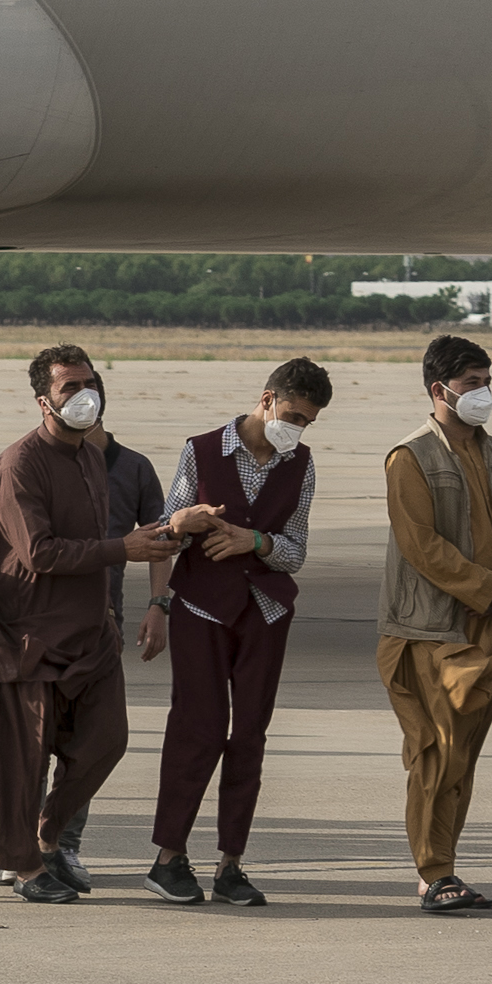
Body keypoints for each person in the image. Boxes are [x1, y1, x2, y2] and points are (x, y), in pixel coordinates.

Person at [0, 345, 171, 904]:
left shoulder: (91, 458)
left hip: (90, 632)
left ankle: (49, 831)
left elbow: (97, 544)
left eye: (91, 384)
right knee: (25, 760)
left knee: (107, 740)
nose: (85, 396)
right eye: (70, 387)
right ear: (44, 401)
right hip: (31, 634)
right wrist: (122, 548)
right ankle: (25, 867)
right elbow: (39, 552)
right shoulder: (20, 463)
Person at [150, 359, 330, 907]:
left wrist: (255, 542)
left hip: (265, 611)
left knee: (250, 734)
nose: (297, 429)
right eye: (293, 416)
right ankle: (168, 858)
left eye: (308, 422)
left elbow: (295, 551)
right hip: (201, 607)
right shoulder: (202, 451)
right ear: (268, 398)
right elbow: (165, 533)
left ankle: (231, 863)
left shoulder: (302, 465)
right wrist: (181, 525)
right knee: (197, 728)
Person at [376, 336, 492, 915]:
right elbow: (422, 546)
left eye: (487, 382)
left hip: (489, 630)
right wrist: (489, 587)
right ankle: (434, 872)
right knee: (435, 755)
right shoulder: (410, 457)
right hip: (428, 634)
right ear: (439, 390)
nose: (484, 393)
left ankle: (443, 868)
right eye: (472, 383)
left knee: (461, 762)